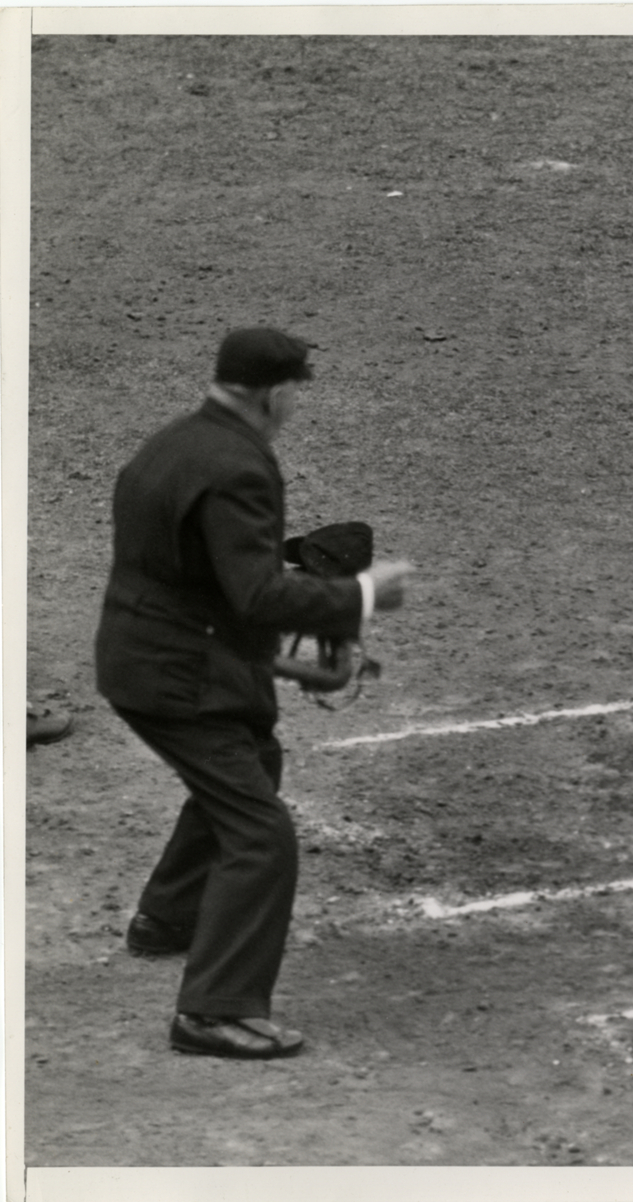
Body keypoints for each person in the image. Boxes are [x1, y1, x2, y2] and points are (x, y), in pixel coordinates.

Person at [95, 328, 415, 1059]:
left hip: (139, 655)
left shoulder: (171, 444)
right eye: (296, 391)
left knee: (253, 765)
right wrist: (359, 596)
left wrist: (283, 655)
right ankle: (213, 1010)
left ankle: (169, 917)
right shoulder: (240, 467)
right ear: (275, 393)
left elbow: (199, 577)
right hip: (178, 679)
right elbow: (255, 595)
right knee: (261, 835)